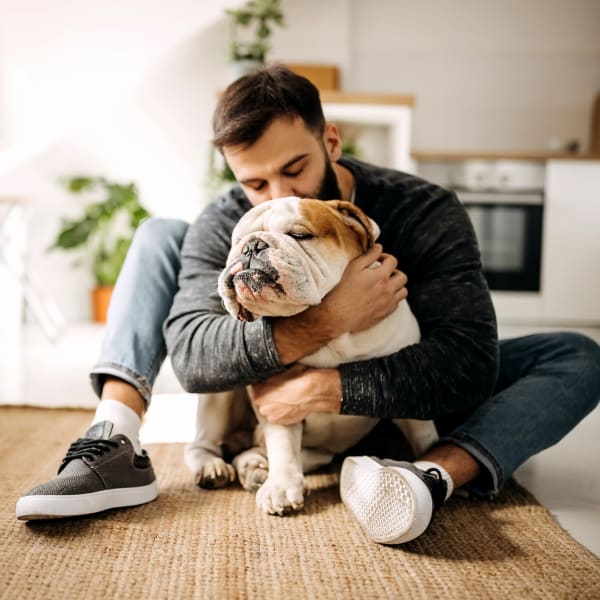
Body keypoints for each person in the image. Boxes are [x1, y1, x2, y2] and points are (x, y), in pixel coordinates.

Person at [16, 65, 600, 545]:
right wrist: (330, 318)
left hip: (410, 401)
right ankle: (112, 438)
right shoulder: (229, 221)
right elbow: (194, 361)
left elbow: (468, 363)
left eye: (294, 170)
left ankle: (430, 475)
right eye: (255, 185)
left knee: (577, 355)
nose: (279, 197)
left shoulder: (422, 209)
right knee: (159, 232)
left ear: (331, 141)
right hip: (293, 414)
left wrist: (329, 388)